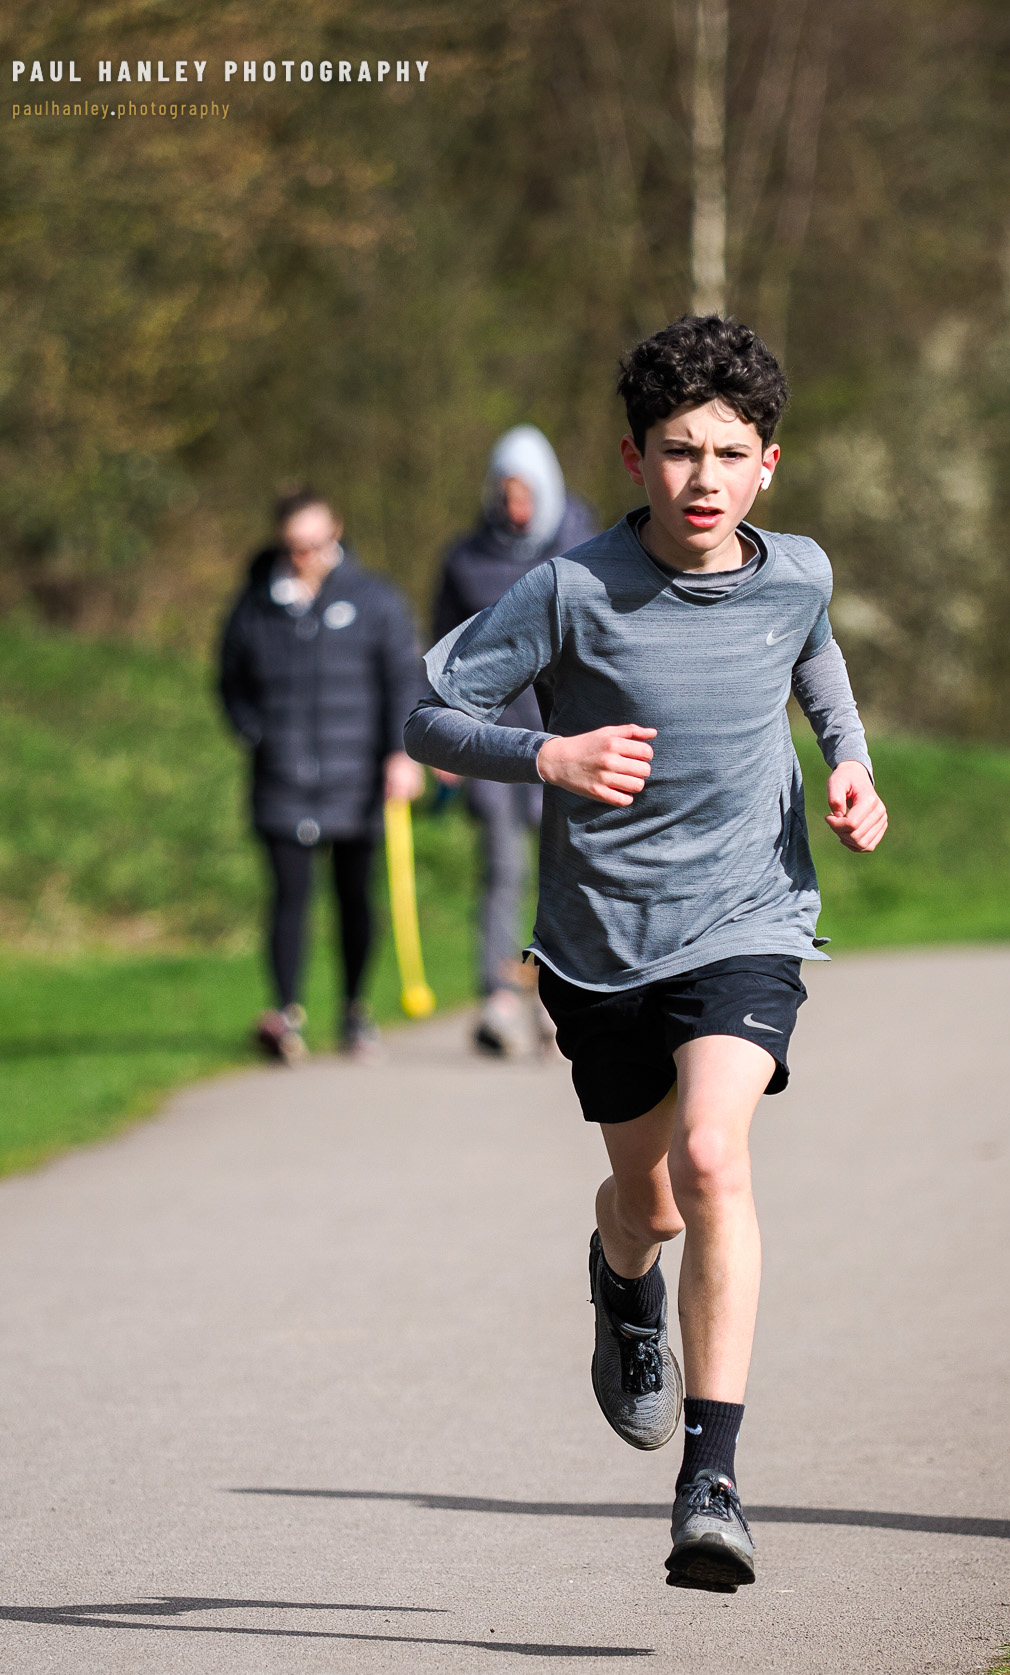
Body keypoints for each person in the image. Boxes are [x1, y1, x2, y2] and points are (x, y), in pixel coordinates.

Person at [405, 315, 888, 1591]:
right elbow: (431, 710)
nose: (705, 479)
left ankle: (712, 1478)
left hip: (749, 918)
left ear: (769, 464)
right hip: (602, 943)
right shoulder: (572, 590)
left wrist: (851, 763)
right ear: (632, 458)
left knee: (716, 1155)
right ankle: (622, 1273)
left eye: (731, 453)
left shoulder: (799, 572)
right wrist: (546, 755)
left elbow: (815, 657)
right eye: (679, 452)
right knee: (655, 1200)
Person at [219, 490, 426, 1064]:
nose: (305, 556)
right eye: (294, 546)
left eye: (315, 544)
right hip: (281, 777)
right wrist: (253, 730)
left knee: (353, 898)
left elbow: (401, 680)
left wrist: (401, 754)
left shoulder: (376, 599)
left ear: (335, 533)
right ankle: (285, 1014)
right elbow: (229, 677)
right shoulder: (256, 602)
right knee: (288, 897)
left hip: (356, 779)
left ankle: (355, 1010)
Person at [431, 427, 597, 1057]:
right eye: (505, 492)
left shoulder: (587, 548)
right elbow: (443, 649)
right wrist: (442, 737)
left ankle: (562, 992)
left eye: (526, 492)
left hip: (571, 736)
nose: (516, 506)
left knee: (567, 868)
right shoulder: (464, 558)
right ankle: (497, 996)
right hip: (493, 742)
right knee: (501, 869)